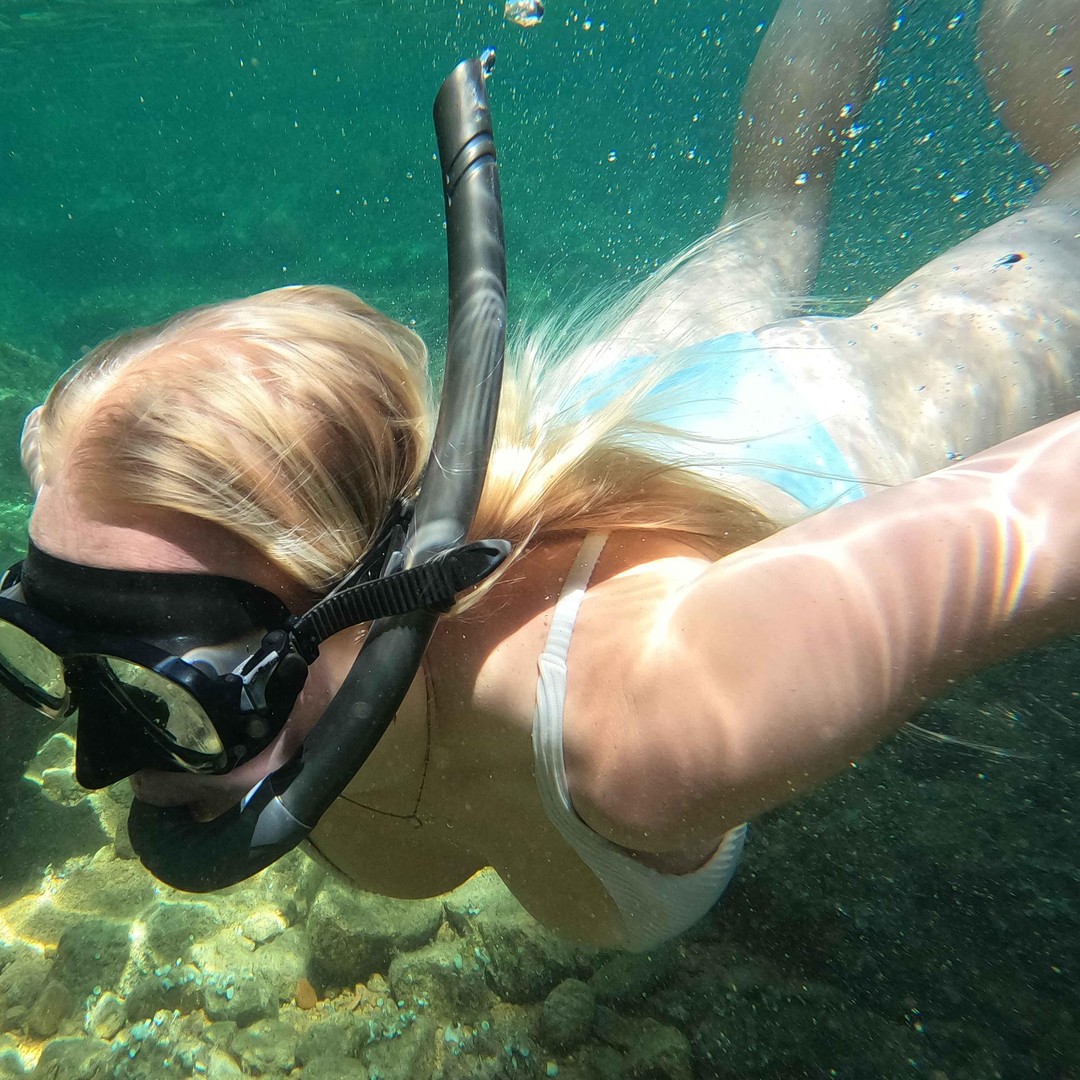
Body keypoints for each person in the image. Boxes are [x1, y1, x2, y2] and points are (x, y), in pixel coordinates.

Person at [12, 0, 1080, 950]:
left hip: (802, 421)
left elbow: (1043, 513)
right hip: (593, 402)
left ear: (373, 599)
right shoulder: (202, 610)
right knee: (765, 221)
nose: (96, 766)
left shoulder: (648, 716)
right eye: (49, 656)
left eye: (177, 687)